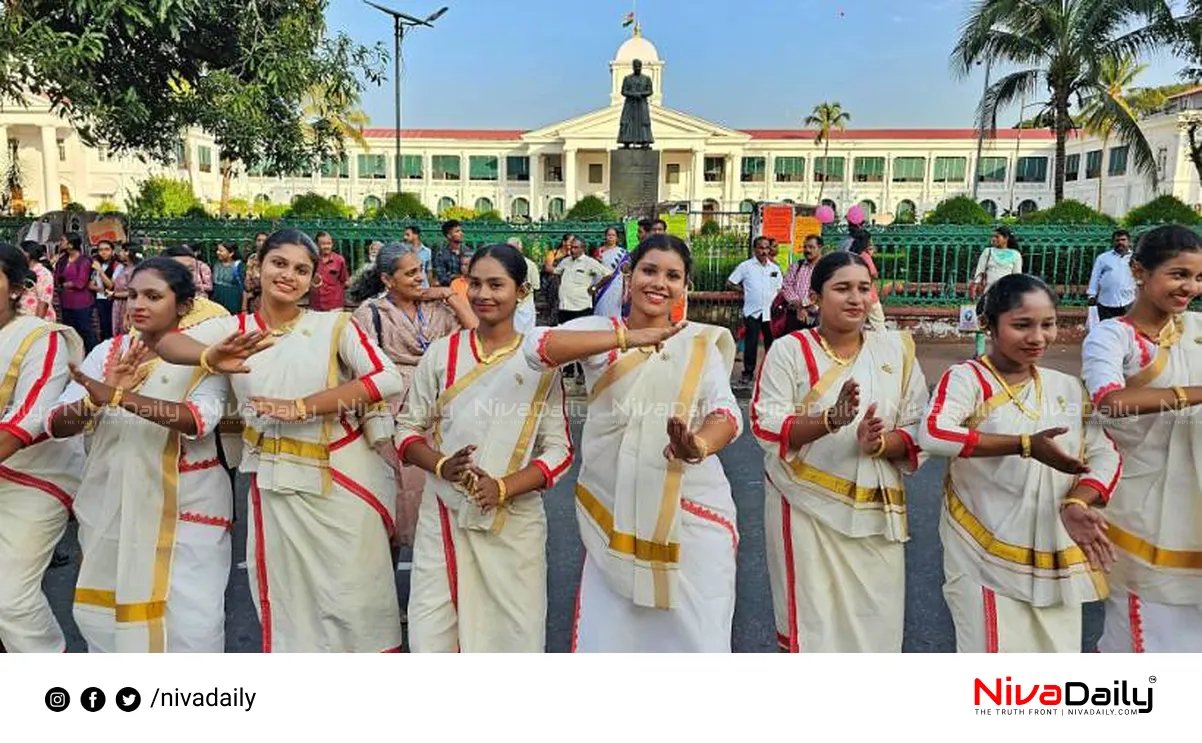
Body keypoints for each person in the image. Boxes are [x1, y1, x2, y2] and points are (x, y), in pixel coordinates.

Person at [154, 229, 405, 652]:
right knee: (291, 606)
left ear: (314, 281)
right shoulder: (231, 330)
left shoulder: (334, 326)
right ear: (259, 266)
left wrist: (304, 406)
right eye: (279, 263)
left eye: (301, 270)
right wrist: (209, 357)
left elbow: (387, 378)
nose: (288, 275)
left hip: (342, 478)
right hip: (274, 483)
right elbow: (167, 342)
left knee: (357, 599)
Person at [524, 234, 742, 652]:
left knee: (698, 638)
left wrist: (695, 446)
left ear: (685, 287)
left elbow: (726, 413)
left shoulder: (698, 342)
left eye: (673, 276)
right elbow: (538, 348)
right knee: (612, 637)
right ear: (629, 275)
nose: (659, 282)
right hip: (615, 509)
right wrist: (628, 339)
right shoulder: (600, 333)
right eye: (649, 270)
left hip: (692, 508)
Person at [921, 274, 1120, 652]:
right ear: (988, 324)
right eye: (1022, 325)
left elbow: (1104, 452)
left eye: (1048, 324)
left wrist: (1079, 501)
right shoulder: (967, 380)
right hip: (981, 548)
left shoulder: (1065, 386)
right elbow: (934, 433)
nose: (1038, 337)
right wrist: (1024, 445)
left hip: (1056, 549)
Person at [47, 257, 235, 652]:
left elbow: (198, 420)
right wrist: (95, 401)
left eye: (153, 295)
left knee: (193, 623)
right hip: (114, 501)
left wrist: (118, 397)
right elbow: (56, 425)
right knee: (109, 618)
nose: (137, 305)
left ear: (183, 305)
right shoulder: (107, 353)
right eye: (132, 295)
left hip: (191, 501)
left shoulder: (206, 358)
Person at [397, 244, 573, 652]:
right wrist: (442, 465)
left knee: (512, 634)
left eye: (497, 284)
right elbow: (405, 430)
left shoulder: (540, 361)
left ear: (521, 291)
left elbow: (560, 451)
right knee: (433, 630)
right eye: (474, 284)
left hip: (514, 523)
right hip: (442, 515)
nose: (483, 295)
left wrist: (504, 487)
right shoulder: (442, 354)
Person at [752, 251, 929, 652]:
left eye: (864, 289)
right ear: (814, 297)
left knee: (876, 626)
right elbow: (766, 425)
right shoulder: (789, 351)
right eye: (842, 288)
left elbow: (920, 427)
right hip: (804, 509)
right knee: (814, 627)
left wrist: (882, 443)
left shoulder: (895, 352)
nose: (856, 298)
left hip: (875, 517)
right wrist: (830, 420)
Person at [1082, 224, 1202, 653]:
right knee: (1139, 637)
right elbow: (1108, 402)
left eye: (1198, 277)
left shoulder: (1196, 330)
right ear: (1139, 271)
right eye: (1178, 274)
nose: (1189, 287)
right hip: (1140, 505)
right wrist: (1195, 395)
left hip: (1195, 508)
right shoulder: (1112, 336)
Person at [349, 242, 476, 549]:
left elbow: (475, 332)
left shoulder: (438, 307)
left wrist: (448, 294)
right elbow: (357, 368)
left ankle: (435, 585)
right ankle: (384, 587)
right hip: (391, 409)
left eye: (421, 270)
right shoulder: (371, 314)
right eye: (410, 273)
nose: (420, 278)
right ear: (387, 280)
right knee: (392, 496)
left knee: (437, 493)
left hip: (438, 406)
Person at [0, 242, 85, 652]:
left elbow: (30, 419)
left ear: (18, 288)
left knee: (10, 598)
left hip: (34, 478)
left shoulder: (40, 337)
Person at [728, 236, 783, 385]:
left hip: (770, 312)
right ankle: (747, 373)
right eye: (761, 248)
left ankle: (772, 374)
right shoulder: (745, 266)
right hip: (753, 312)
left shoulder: (774, 268)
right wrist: (744, 290)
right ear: (755, 249)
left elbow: (780, 288)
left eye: (767, 248)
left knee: (771, 344)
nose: (764, 251)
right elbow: (731, 282)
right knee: (751, 344)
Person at [555, 237, 611, 381]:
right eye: (571, 247)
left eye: (575, 248)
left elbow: (608, 274)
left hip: (581, 306)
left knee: (581, 340)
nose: (571, 250)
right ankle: (567, 369)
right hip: (565, 306)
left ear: (582, 249)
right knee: (564, 337)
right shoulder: (566, 261)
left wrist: (595, 287)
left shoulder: (589, 262)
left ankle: (581, 371)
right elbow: (556, 272)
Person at [970, 226, 1023, 357]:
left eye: (997, 237)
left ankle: (1001, 353)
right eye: (993, 236)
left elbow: (1017, 276)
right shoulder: (988, 252)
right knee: (982, 322)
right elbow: (980, 270)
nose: (993, 239)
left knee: (1002, 325)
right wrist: (974, 286)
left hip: (1006, 295)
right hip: (988, 293)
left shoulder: (1015, 255)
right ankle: (979, 353)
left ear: (1006, 238)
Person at [55, 232, 97, 352]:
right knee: (69, 331)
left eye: (63, 241)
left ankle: (92, 355)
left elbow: (81, 283)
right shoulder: (62, 259)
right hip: (65, 301)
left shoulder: (84, 260)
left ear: (70, 244)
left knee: (86, 330)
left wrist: (65, 284)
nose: (60, 243)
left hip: (81, 302)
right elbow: (57, 277)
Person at [1087, 229, 1136, 322]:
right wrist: (1091, 295)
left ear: (1129, 242)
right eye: (1117, 240)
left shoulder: (1136, 258)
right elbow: (1095, 276)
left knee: (1128, 330)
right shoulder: (1103, 258)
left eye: (1123, 240)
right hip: (1106, 302)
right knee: (1106, 330)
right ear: (1113, 242)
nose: (1120, 243)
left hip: (1129, 301)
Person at [778, 234, 823, 332]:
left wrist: (808, 307)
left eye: (811, 247)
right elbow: (786, 287)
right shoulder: (796, 266)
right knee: (793, 344)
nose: (807, 250)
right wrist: (799, 306)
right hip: (795, 315)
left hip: (818, 317)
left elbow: (827, 290)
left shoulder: (826, 268)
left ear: (819, 248)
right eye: (805, 247)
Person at [849, 232, 886, 331]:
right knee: (879, 323)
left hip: (856, 294)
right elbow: (874, 274)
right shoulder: (864, 256)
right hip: (869, 294)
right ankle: (885, 344)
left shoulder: (851, 256)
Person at [506, 237, 541, 335]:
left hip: (525, 308)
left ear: (521, 250)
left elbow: (536, 287)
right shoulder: (502, 265)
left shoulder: (530, 265)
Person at [592, 226, 628, 319]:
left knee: (614, 313)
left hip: (616, 287)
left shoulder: (622, 253)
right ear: (605, 236)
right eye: (608, 235)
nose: (611, 237)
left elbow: (626, 274)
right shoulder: (599, 251)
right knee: (600, 310)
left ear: (617, 237)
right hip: (600, 285)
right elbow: (593, 269)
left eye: (613, 235)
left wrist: (625, 291)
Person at [309, 231, 349, 311]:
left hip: (335, 306)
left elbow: (344, 280)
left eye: (329, 243)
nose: (327, 246)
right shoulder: (311, 260)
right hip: (316, 305)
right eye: (323, 244)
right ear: (316, 244)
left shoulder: (339, 260)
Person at [18, 241, 55, 322]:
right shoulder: (22, 271)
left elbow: (43, 302)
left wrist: (37, 324)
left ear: (29, 254)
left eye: (21, 252)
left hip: (37, 320)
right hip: (23, 319)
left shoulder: (43, 273)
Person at [90, 240, 118, 341]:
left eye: (107, 249)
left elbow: (110, 285)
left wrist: (100, 271)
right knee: (101, 328)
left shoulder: (117, 266)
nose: (103, 252)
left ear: (113, 251)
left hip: (111, 300)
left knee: (110, 328)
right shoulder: (97, 264)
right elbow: (90, 285)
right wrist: (101, 289)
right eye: (101, 250)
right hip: (99, 299)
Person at [109, 244, 139, 335]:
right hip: (118, 304)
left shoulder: (133, 270)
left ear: (128, 253)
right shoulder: (122, 268)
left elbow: (133, 292)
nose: (120, 253)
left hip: (126, 305)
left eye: (122, 251)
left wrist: (114, 294)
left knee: (125, 331)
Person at [211, 241, 244, 315]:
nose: (217, 252)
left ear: (231, 253)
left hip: (232, 300)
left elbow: (242, 286)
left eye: (221, 251)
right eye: (217, 250)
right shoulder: (216, 264)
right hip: (217, 298)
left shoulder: (237, 266)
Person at [432, 220, 467, 288]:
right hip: (449, 291)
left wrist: (452, 276)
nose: (461, 233)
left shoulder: (468, 252)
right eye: (457, 231)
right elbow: (442, 278)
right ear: (449, 236)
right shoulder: (441, 254)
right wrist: (459, 277)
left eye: (461, 231)